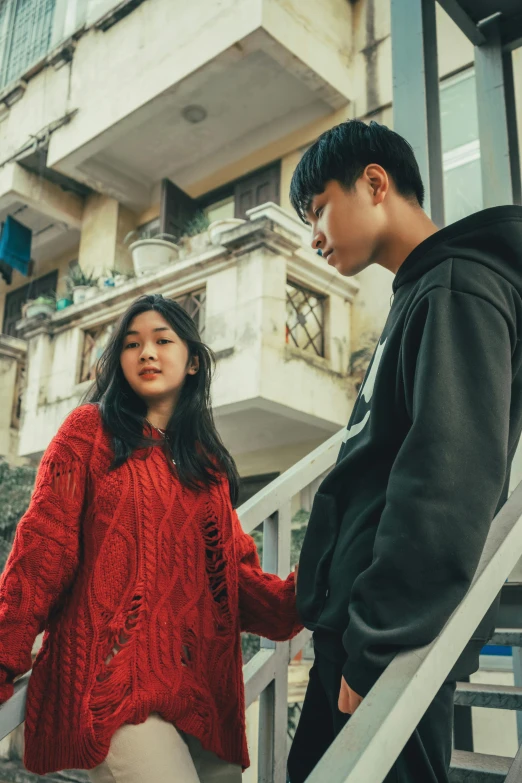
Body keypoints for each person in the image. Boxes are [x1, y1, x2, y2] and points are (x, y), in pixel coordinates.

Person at [286, 119, 522, 783]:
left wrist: (377, 643)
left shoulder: (457, 285)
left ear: (375, 183)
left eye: (317, 209)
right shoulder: (423, 290)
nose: (314, 235)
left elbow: (446, 475)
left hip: (391, 635)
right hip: (366, 623)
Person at [0, 294, 302, 783]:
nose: (146, 353)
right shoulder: (88, 433)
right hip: (115, 686)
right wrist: (3, 653)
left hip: (204, 690)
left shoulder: (207, 469)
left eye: (163, 340)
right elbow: (42, 553)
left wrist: (306, 589)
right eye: (132, 343)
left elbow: (234, 580)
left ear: (194, 362)